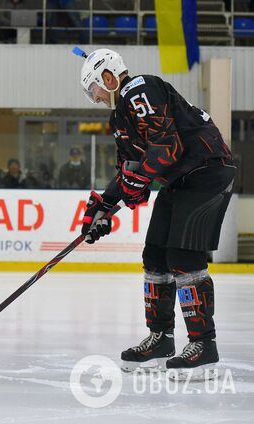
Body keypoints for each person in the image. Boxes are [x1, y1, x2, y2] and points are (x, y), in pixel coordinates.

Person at [78, 48, 235, 379]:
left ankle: (203, 345)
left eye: (94, 89)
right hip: (179, 179)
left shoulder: (138, 89)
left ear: (108, 78)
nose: (94, 98)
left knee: (182, 255)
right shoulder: (120, 117)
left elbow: (168, 146)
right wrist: (105, 206)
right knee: (156, 256)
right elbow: (132, 175)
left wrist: (133, 183)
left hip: (207, 171)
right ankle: (161, 339)